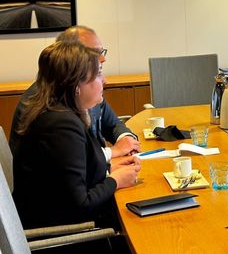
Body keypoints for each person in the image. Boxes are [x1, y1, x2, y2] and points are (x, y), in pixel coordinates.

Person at [12, 41, 140, 229]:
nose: (105, 80)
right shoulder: (61, 126)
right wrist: (116, 181)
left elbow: (64, 180)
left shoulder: (58, 112)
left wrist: (107, 169)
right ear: (76, 85)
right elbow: (79, 205)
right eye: (98, 74)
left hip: (58, 221)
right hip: (67, 234)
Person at [9, 25, 140, 162]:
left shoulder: (87, 90)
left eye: (101, 51)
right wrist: (113, 153)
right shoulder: (45, 103)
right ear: (69, 56)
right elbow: (69, 157)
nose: (102, 58)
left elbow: (112, 124)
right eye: (94, 53)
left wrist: (126, 140)